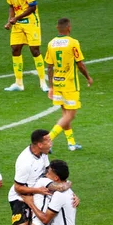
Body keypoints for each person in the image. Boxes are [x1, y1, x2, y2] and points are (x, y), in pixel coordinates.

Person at [44, 17, 93, 151]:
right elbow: (80, 63)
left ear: (57, 28)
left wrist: (51, 87)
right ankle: (48, 139)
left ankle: (71, 143)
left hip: (57, 83)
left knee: (65, 114)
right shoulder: (73, 43)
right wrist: (88, 77)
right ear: (69, 28)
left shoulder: (51, 43)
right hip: (70, 85)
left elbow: (49, 67)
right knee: (70, 115)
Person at [3, 0, 49, 92]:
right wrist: (10, 21)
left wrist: (16, 18)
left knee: (35, 50)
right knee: (15, 49)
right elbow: (11, 6)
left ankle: (43, 82)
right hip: (17, 23)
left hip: (31, 22)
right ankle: (18, 83)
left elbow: (33, 7)